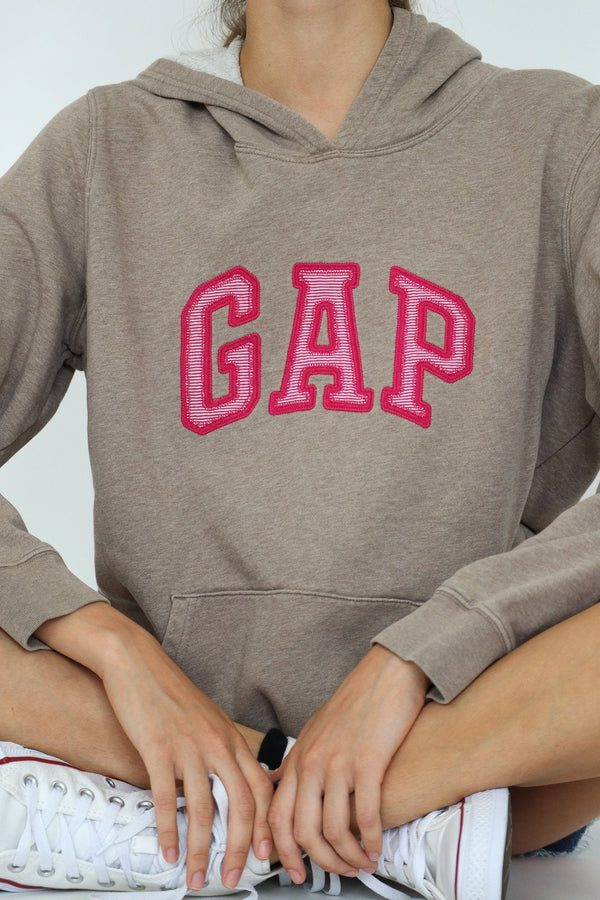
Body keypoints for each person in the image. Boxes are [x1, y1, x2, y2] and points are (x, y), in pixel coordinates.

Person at [0, 0, 599, 898]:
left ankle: (301, 816)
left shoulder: (563, 137)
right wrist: (111, 647)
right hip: (169, 746)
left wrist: (421, 654)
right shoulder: (103, 149)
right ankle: (339, 821)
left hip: (478, 749)